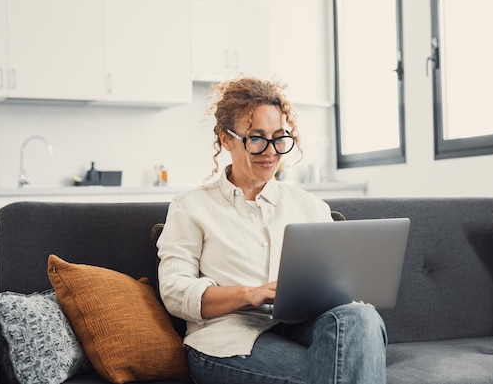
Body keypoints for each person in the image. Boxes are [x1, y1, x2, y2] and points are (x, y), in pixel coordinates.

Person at [157, 76, 387, 384]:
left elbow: (339, 282)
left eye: (279, 138)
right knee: (337, 371)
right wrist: (250, 294)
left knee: (362, 317)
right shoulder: (191, 207)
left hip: (301, 326)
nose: (271, 151)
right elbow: (175, 292)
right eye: (256, 138)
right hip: (227, 340)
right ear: (226, 139)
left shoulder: (310, 206)